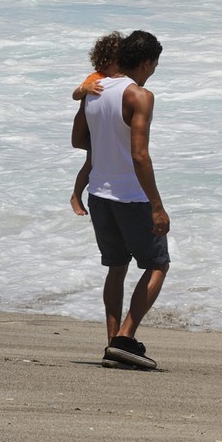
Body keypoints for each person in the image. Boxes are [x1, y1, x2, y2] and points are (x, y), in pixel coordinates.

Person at [70, 30, 170, 370]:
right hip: (131, 197)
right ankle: (126, 338)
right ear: (146, 62)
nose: (152, 72)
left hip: (99, 194)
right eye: (154, 66)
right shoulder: (139, 95)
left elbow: (78, 140)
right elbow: (140, 155)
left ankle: (113, 344)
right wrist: (157, 205)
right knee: (157, 264)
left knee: (117, 266)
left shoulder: (94, 90)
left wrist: (107, 144)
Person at [69, 31, 123, 218]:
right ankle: (76, 195)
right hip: (92, 130)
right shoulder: (96, 78)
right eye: (118, 62)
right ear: (106, 62)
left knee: (99, 162)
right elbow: (75, 95)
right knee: (90, 163)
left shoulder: (117, 79)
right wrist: (86, 88)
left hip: (103, 130)